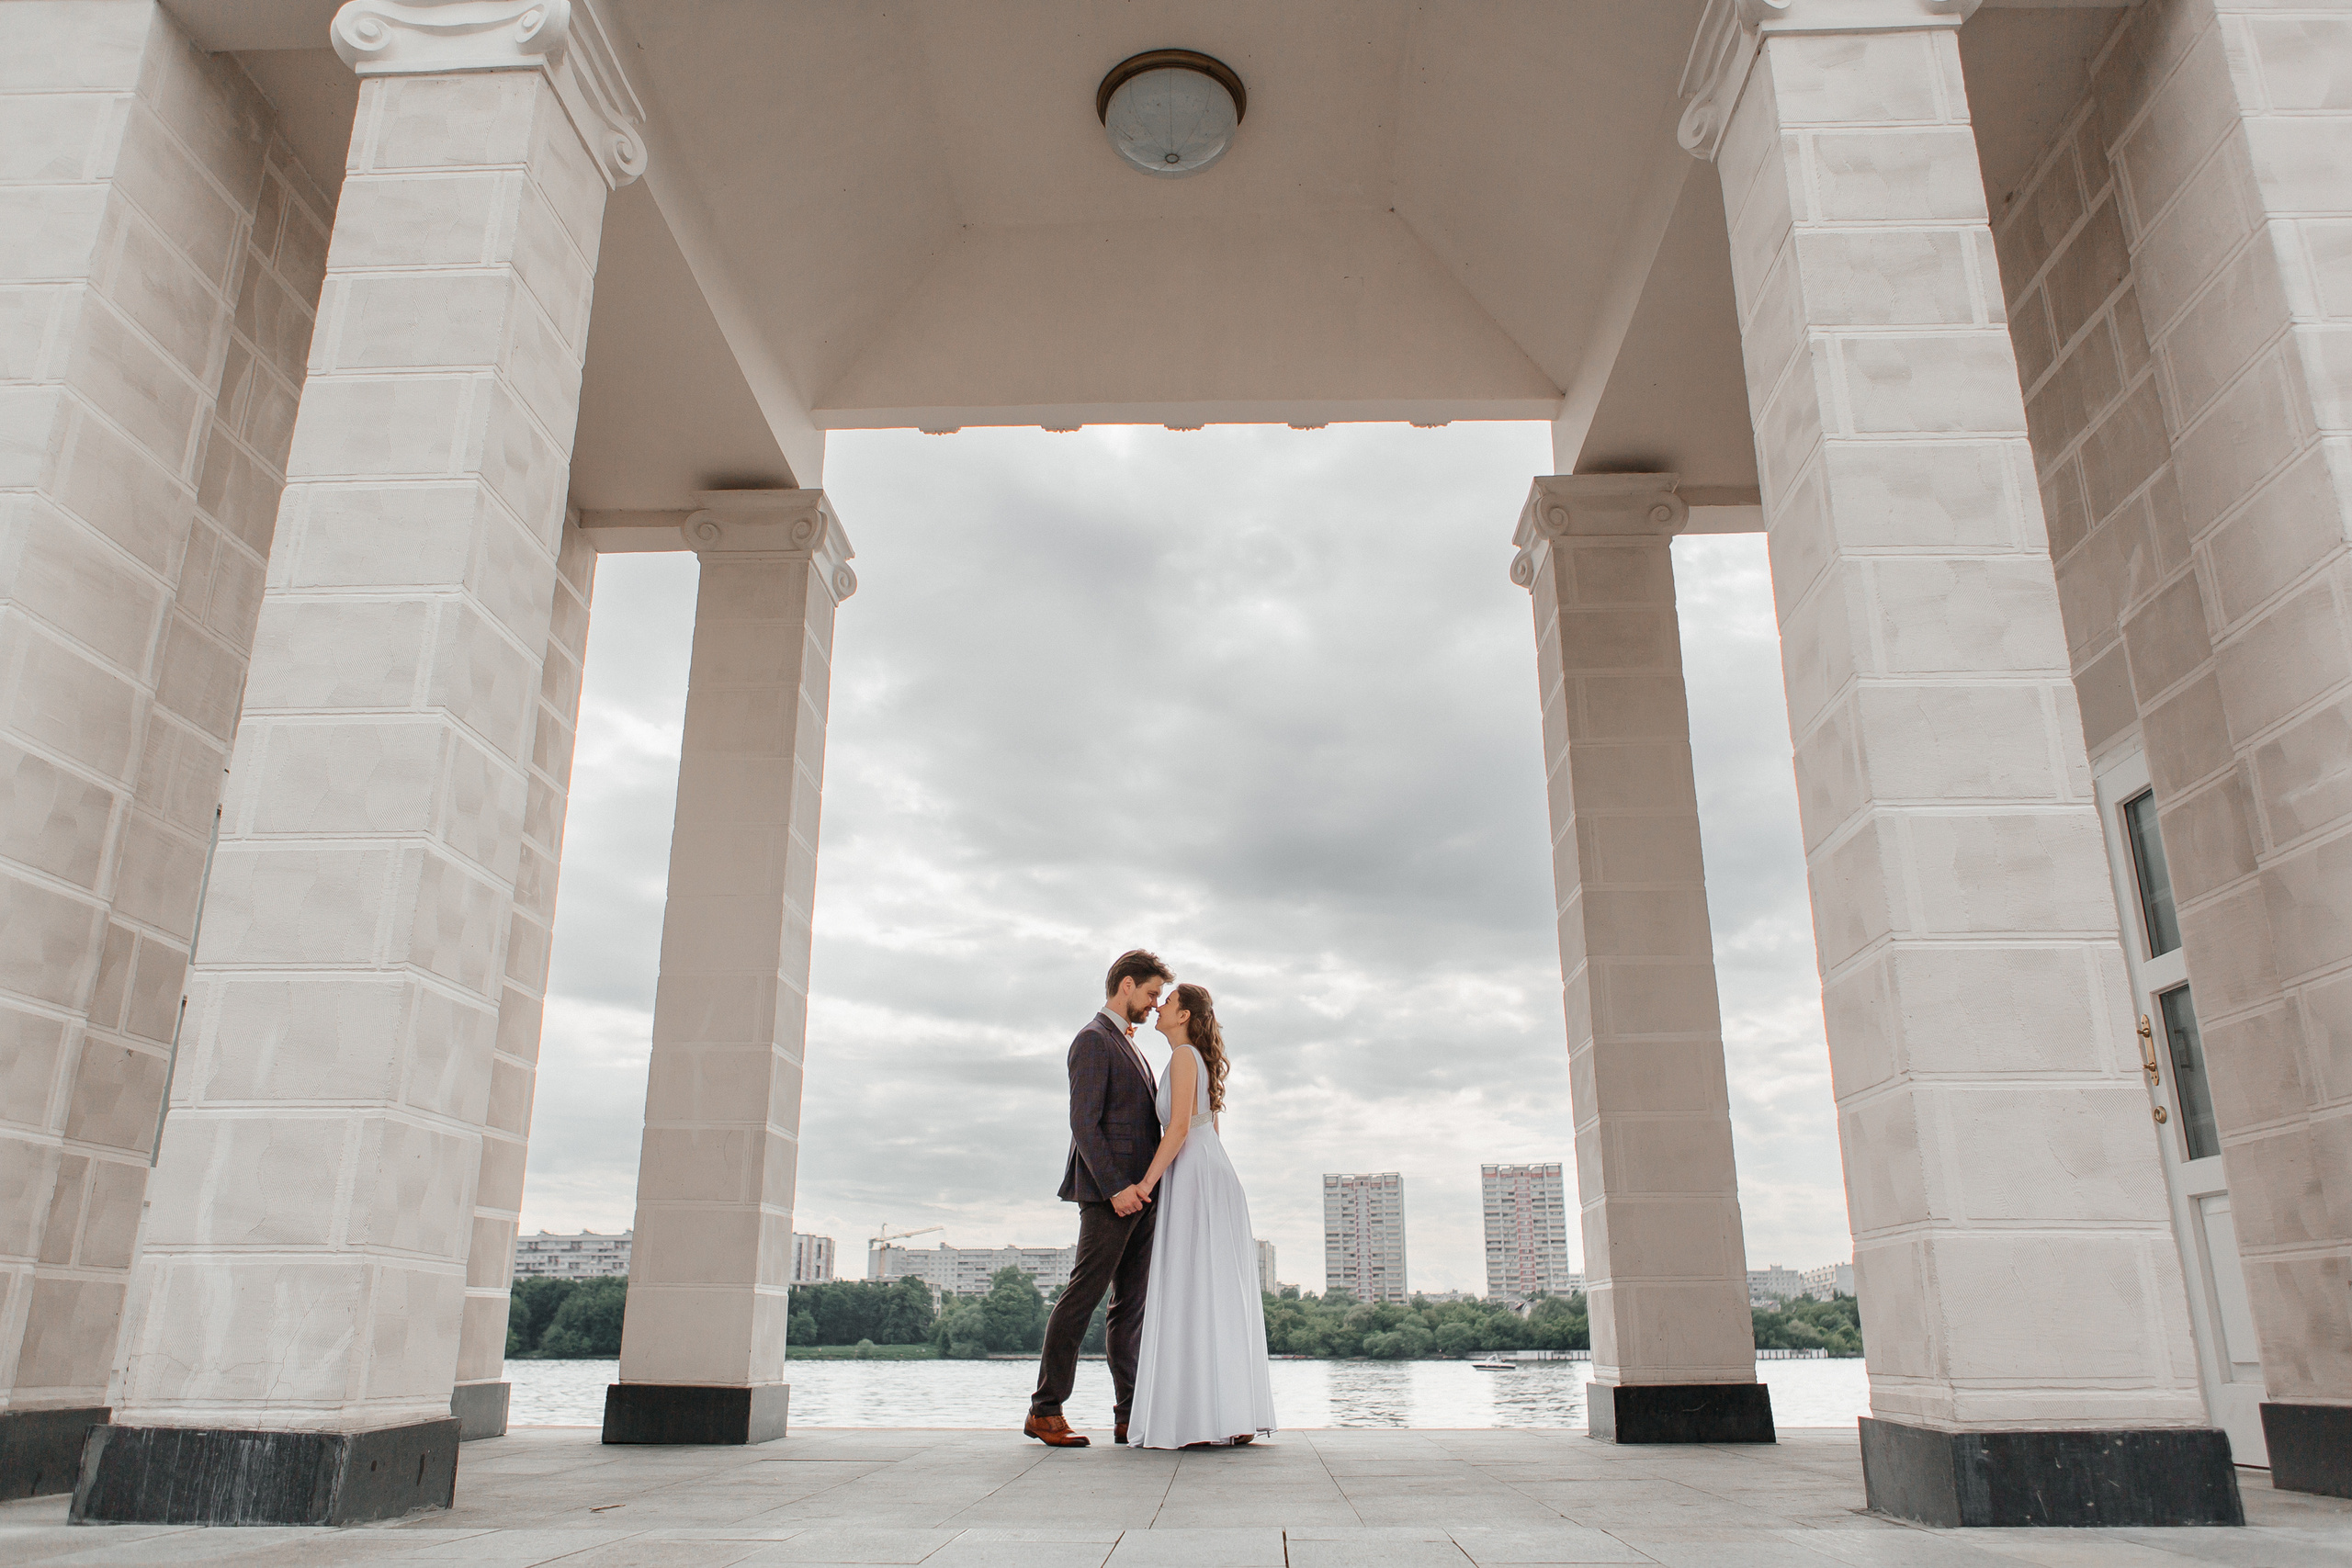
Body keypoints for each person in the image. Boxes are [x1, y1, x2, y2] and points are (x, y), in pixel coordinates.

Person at [1024, 949, 1172, 1447]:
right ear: (1126, 985)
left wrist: (1146, 1188)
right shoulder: (1092, 1040)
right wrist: (1116, 1190)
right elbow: (1083, 1124)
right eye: (1152, 994)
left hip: (1142, 1194)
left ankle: (1129, 1415)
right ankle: (1045, 1410)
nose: (1155, 1005)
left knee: (1130, 1307)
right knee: (1083, 1296)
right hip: (1112, 1194)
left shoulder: (1128, 1045)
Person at [1125, 980, 1278, 1449]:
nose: (1158, 1006)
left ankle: (1199, 1416)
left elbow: (1178, 1130)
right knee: (1209, 1289)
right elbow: (1206, 1128)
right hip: (1204, 1174)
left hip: (1194, 1175)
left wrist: (1145, 1186)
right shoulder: (1190, 1059)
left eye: (1167, 1002)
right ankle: (1224, 1414)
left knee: (1194, 1286)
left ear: (1185, 1014)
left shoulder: (1185, 1057)